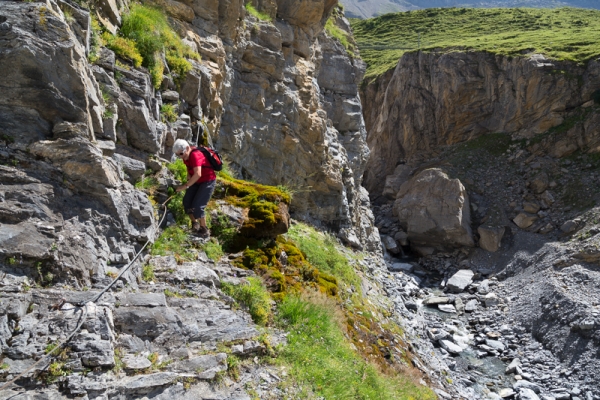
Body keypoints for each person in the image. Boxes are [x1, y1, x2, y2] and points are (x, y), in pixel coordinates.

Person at [172, 139, 216, 238]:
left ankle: (204, 229)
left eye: (181, 154)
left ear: (187, 148)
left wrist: (185, 186)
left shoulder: (195, 155)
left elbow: (198, 174)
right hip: (196, 181)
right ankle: (194, 224)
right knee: (187, 201)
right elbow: (189, 166)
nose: (180, 156)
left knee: (198, 206)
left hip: (207, 181)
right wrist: (188, 174)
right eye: (178, 155)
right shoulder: (185, 155)